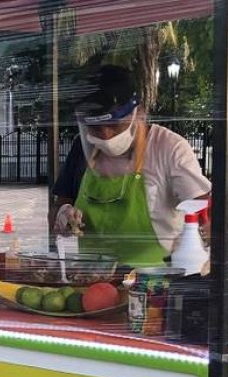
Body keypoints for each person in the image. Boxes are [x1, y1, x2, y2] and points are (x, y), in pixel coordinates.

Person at [52, 65, 211, 266]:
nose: (105, 135)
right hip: (90, 282)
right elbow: (58, 206)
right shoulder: (81, 149)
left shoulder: (169, 148)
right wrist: (62, 215)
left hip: (151, 283)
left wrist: (194, 247)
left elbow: (204, 211)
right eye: (95, 128)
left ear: (139, 112)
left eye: (113, 125)